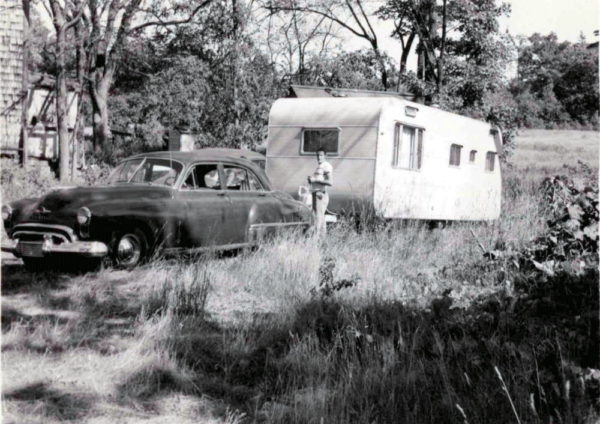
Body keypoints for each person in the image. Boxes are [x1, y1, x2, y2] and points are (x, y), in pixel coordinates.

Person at [308, 149, 333, 237]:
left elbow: (330, 182)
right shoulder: (320, 166)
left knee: (318, 218)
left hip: (320, 194)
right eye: (318, 155)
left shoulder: (326, 166)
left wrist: (315, 180)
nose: (319, 157)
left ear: (325, 156)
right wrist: (312, 181)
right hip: (316, 194)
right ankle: (322, 240)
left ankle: (315, 240)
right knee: (321, 218)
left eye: (321, 155)